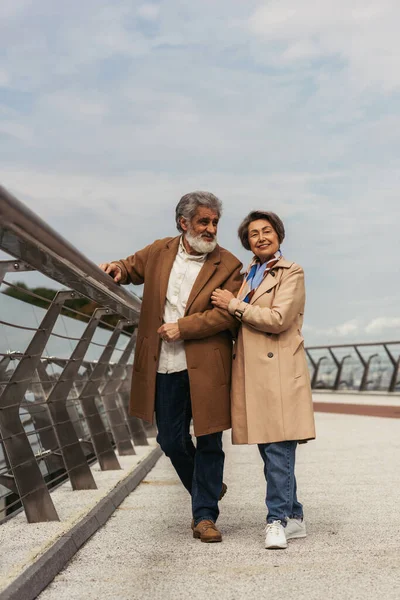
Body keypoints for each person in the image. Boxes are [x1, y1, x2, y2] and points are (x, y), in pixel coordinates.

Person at [99, 191, 242, 543]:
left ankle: (205, 516)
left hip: (209, 364)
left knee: (209, 439)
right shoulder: (159, 251)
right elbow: (130, 266)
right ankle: (206, 483)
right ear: (184, 223)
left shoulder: (229, 264)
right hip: (164, 363)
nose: (210, 229)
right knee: (170, 438)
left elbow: (227, 314)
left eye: (214, 223)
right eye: (203, 222)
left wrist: (185, 326)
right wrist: (116, 266)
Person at [211, 210, 315, 550]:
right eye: (253, 234)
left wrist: (234, 306)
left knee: (278, 448)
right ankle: (295, 516)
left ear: (279, 236)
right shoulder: (247, 276)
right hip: (253, 376)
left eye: (267, 231)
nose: (261, 237)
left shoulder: (291, 272)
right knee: (272, 453)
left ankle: (277, 520)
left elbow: (279, 318)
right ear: (248, 242)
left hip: (280, 372)